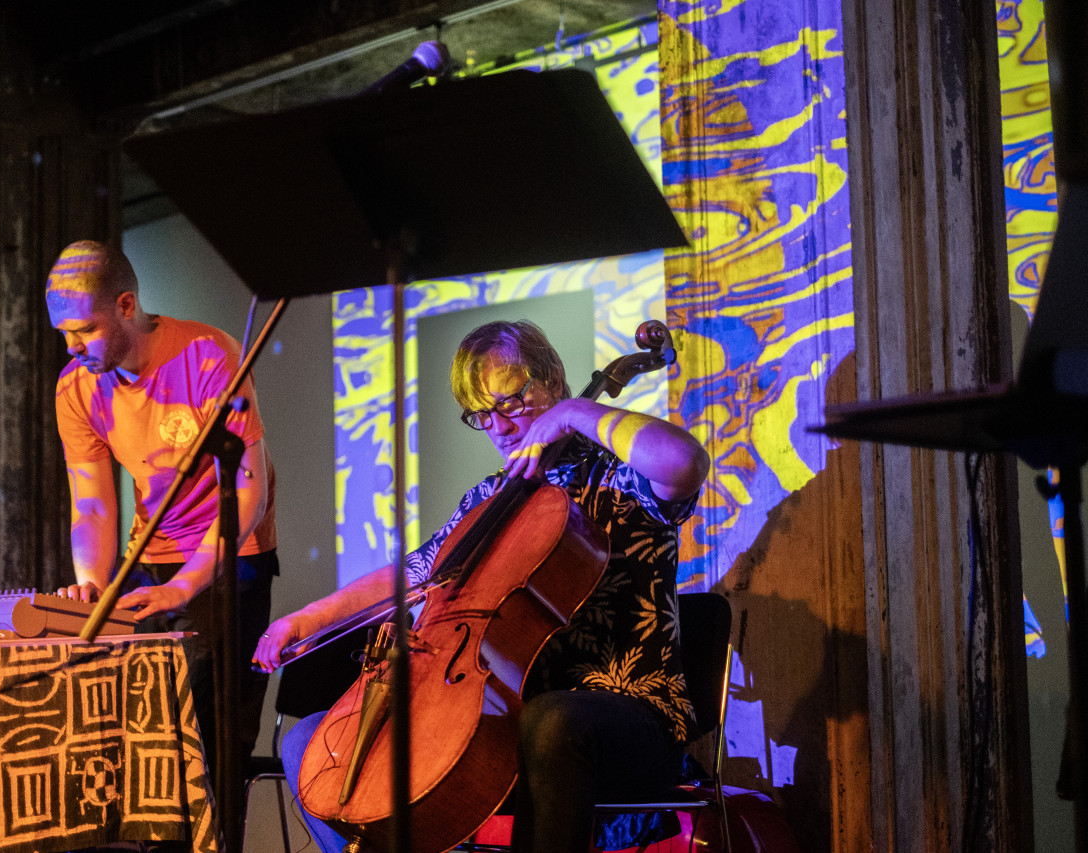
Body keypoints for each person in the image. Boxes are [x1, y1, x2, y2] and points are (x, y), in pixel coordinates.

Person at [254, 319, 709, 853]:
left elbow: (685, 462)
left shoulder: (620, 477)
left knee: (552, 720)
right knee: (309, 743)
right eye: (481, 414)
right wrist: (306, 619)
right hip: (506, 719)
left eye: (511, 403)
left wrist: (575, 414)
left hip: (625, 716)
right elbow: (416, 572)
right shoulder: (490, 499)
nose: (499, 426)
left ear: (552, 380)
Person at [45, 239, 278, 771]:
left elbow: (251, 491)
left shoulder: (209, 354)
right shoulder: (75, 388)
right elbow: (92, 506)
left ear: (126, 305)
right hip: (152, 552)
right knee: (140, 732)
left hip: (232, 552)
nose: (72, 347)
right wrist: (91, 584)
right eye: (63, 334)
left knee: (211, 740)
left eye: (84, 330)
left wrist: (185, 585)